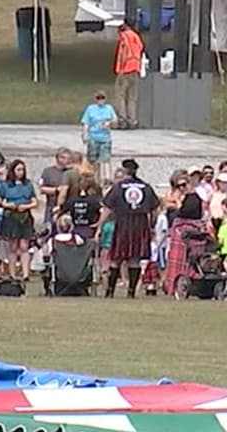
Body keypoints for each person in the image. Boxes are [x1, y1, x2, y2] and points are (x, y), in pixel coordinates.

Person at [100, 158, 160, 298]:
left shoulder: (119, 187)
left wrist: (99, 224)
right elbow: (155, 208)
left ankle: (110, 292)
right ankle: (131, 292)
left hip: (123, 222)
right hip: (140, 223)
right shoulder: (146, 186)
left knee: (116, 257)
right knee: (135, 259)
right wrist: (152, 224)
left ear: (125, 170)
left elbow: (107, 207)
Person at [0, 159, 37, 280]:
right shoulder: (6, 185)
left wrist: (26, 206)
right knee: (12, 246)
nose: (21, 172)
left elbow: (34, 201)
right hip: (11, 216)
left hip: (24, 216)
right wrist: (9, 205)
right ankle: (12, 273)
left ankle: (25, 274)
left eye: (22, 170)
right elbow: (1, 201)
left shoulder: (28, 185)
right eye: (18, 170)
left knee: (24, 246)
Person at [80, 90, 118, 182]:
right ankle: (95, 178)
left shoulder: (109, 108)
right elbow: (86, 123)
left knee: (106, 159)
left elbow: (115, 120)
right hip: (93, 137)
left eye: (102, 98)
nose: (101, 100)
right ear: (95, 99)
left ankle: (107, 178)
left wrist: (109, 123)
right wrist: (84, 134)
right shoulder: (90, 109)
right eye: (98, 98)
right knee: (93, 160)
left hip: (105, 137)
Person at [113, 20, 144, 129]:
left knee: (120, 95)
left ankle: (123, 120)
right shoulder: (136, 37)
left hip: (125, 69)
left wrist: (121, 68)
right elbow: (140, 49)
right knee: (132, 97)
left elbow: (124, 52)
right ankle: (133, 120)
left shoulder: (124, 36)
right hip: (135, 68)